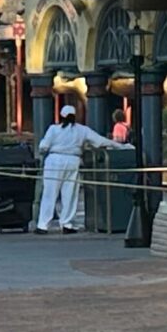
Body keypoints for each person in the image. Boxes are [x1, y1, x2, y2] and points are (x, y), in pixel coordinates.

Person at [33, 98, 111, 233]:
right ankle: (67, 224)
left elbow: (43, 147)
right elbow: (100, 141)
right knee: (70, 193)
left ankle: (43, 225)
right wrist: (120, 145)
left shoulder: (53, 129)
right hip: (73, 161)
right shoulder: (82, 130)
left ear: (61, 116)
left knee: (49, 193)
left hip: (54, 160)